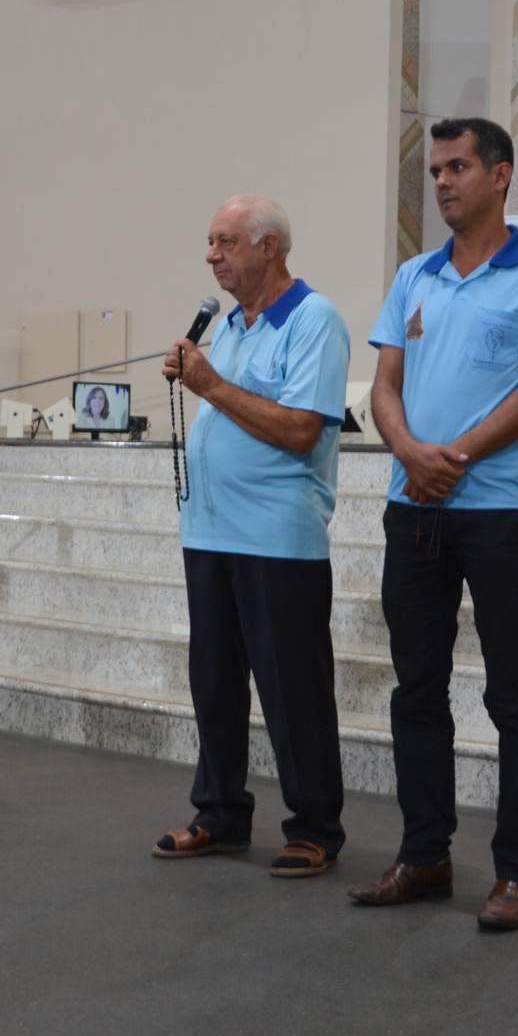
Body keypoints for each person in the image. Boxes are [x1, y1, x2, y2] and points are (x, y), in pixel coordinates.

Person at [351, 117, 518, 931]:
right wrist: (410, 452)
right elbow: (384, 385)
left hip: (499, 514)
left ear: (500, 174)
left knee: (513, 692)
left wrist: (452, 456)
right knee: (415, 689)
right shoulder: (414, 275)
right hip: (413, 508)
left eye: (457, 167)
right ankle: (424, 856)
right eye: (436, 171)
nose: (443, 183)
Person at [153, 195, 352, 878]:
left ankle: (315, 828)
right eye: (210, 242)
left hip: (277, 538)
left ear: (270, 248)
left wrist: (208, 383)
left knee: (293, 690)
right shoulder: (231, 325)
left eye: (226, 242)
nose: (211, 255)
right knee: (214, 683)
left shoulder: (314, 320)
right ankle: (220, 814)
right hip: (210, 532)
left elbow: (300, 430)